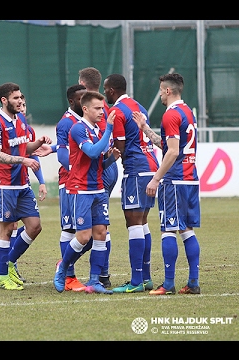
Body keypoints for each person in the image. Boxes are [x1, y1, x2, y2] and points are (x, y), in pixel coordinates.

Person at [132, 73, 201, 295]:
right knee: (186, 230)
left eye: (161, 90)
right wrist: (144, 127)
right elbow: (167, 144)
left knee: (168, 230)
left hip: (174, 181)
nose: (160, 94)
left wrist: (156, 178)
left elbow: (171, 152)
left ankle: (168, 284)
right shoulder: (188, 112)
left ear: (168, 91)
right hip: (190, 179)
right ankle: (193, 282)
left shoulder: (170, 115)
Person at [0, 82, 51, 290]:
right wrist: (23, 160)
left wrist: (38, 142)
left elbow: (24, 148)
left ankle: (10, 262)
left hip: (22, 184)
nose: (21, 101)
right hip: (4, 185)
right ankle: (3, 277)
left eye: (21, 97)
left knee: (34, 226)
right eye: (16, 98)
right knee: (6, 231)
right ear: (4, 100)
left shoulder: (21, 120)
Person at [53, 91, 119, 294]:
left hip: (98, 188)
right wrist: (109, 128)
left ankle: (94, 281)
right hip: (80, 189)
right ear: (86, 109)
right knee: (83, 236)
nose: (102, 112)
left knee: (101, 234)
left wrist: (111, 159)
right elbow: (91, 152)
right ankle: (63, 268)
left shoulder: (98, 131)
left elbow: (97, 162)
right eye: (98, 108)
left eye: (102, 108)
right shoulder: (77, 129)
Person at [103, 73, 159, 293]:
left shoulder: (116, 111)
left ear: (111, 90)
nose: (105, 92)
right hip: (151, 166)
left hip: (136, 169)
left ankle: (136, 281)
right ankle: (145, 278)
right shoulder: (139, 106)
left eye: (106, 89)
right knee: (142, 221)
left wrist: (103, 160)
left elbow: (120, 148)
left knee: (133, 222)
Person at [79, 67, 119, 287]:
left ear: (83, 85)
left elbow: (93, 150)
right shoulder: (107, 107)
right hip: (110, 167)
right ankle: (102, 274)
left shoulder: (90, 113)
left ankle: (67, 268)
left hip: (97, 170)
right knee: (102, 225)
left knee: (91, 229)